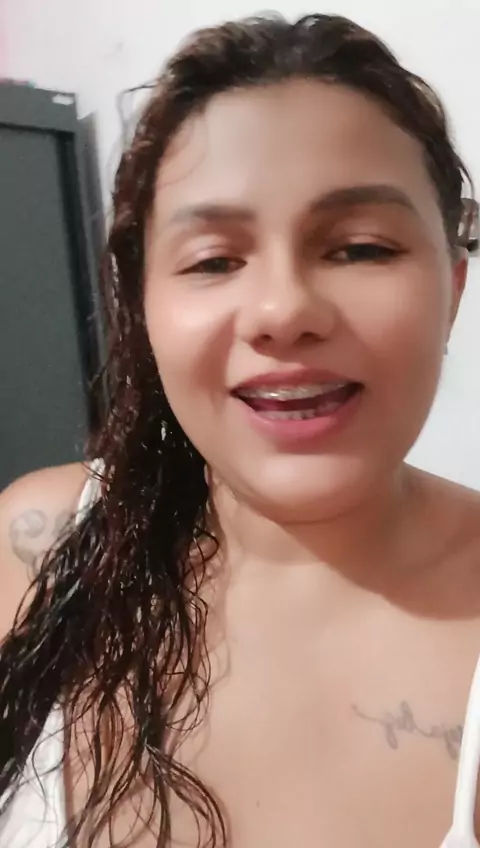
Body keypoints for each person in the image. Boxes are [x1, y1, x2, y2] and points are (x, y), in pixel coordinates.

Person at [0, 11, 479, 848]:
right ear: (142, 307)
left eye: (360, 248)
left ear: (453, 288)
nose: (284, 310)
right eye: (214, 260)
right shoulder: (31, 550)